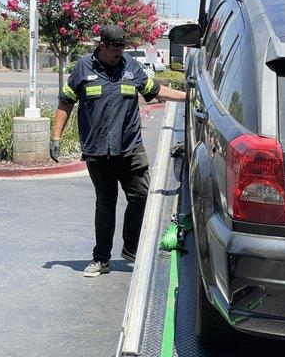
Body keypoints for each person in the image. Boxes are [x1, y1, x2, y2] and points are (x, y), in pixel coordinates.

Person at [50, 24, 185, 277]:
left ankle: (131, 248)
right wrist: (55, 136)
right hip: (98, 150)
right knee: (105, 203)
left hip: (130, 148)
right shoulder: (82, 68)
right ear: (102, 45)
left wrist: (188, 96)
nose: (119, 53)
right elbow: (65, 102)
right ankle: (101, 259)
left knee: (141, 196)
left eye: (123, 47)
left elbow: (154, 90)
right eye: (115, 48)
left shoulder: (130, 66)